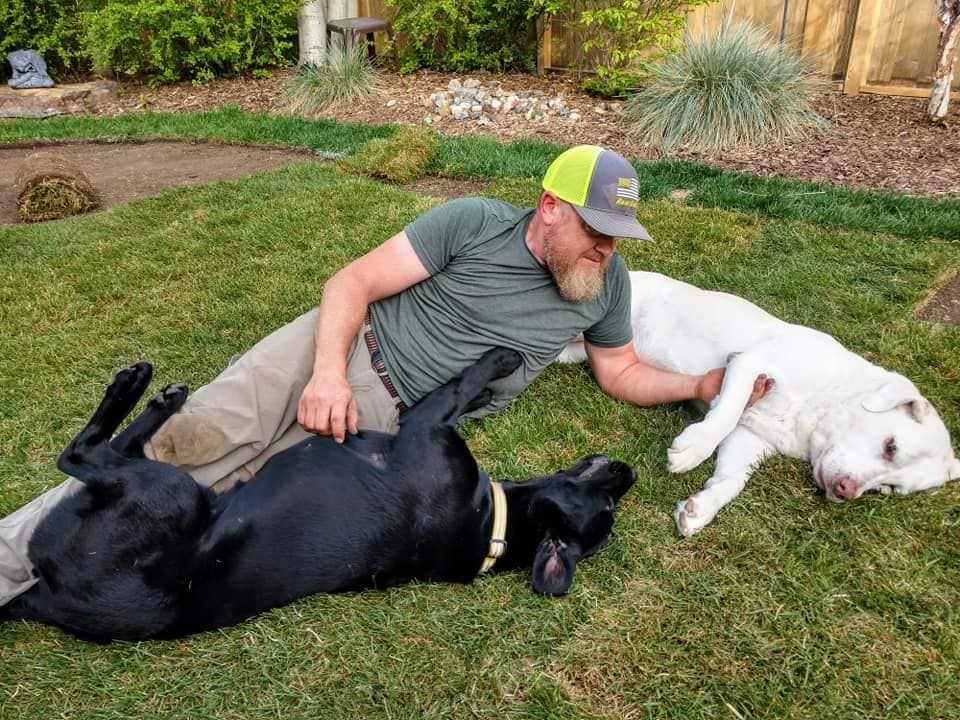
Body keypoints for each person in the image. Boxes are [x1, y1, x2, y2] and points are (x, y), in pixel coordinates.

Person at [0, 145, 768, 606]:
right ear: (549, 209)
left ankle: (61, 582)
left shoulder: (608, 286)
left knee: (216, 506)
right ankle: (9, 557)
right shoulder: (470, 222)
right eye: (597, 234)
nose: (607, 252)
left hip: (392, 429)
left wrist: (698, 389)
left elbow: (622, 369)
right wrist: (328, 373)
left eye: (617, 238)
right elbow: (351, 284)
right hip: (330, 351)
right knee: (179, 447)